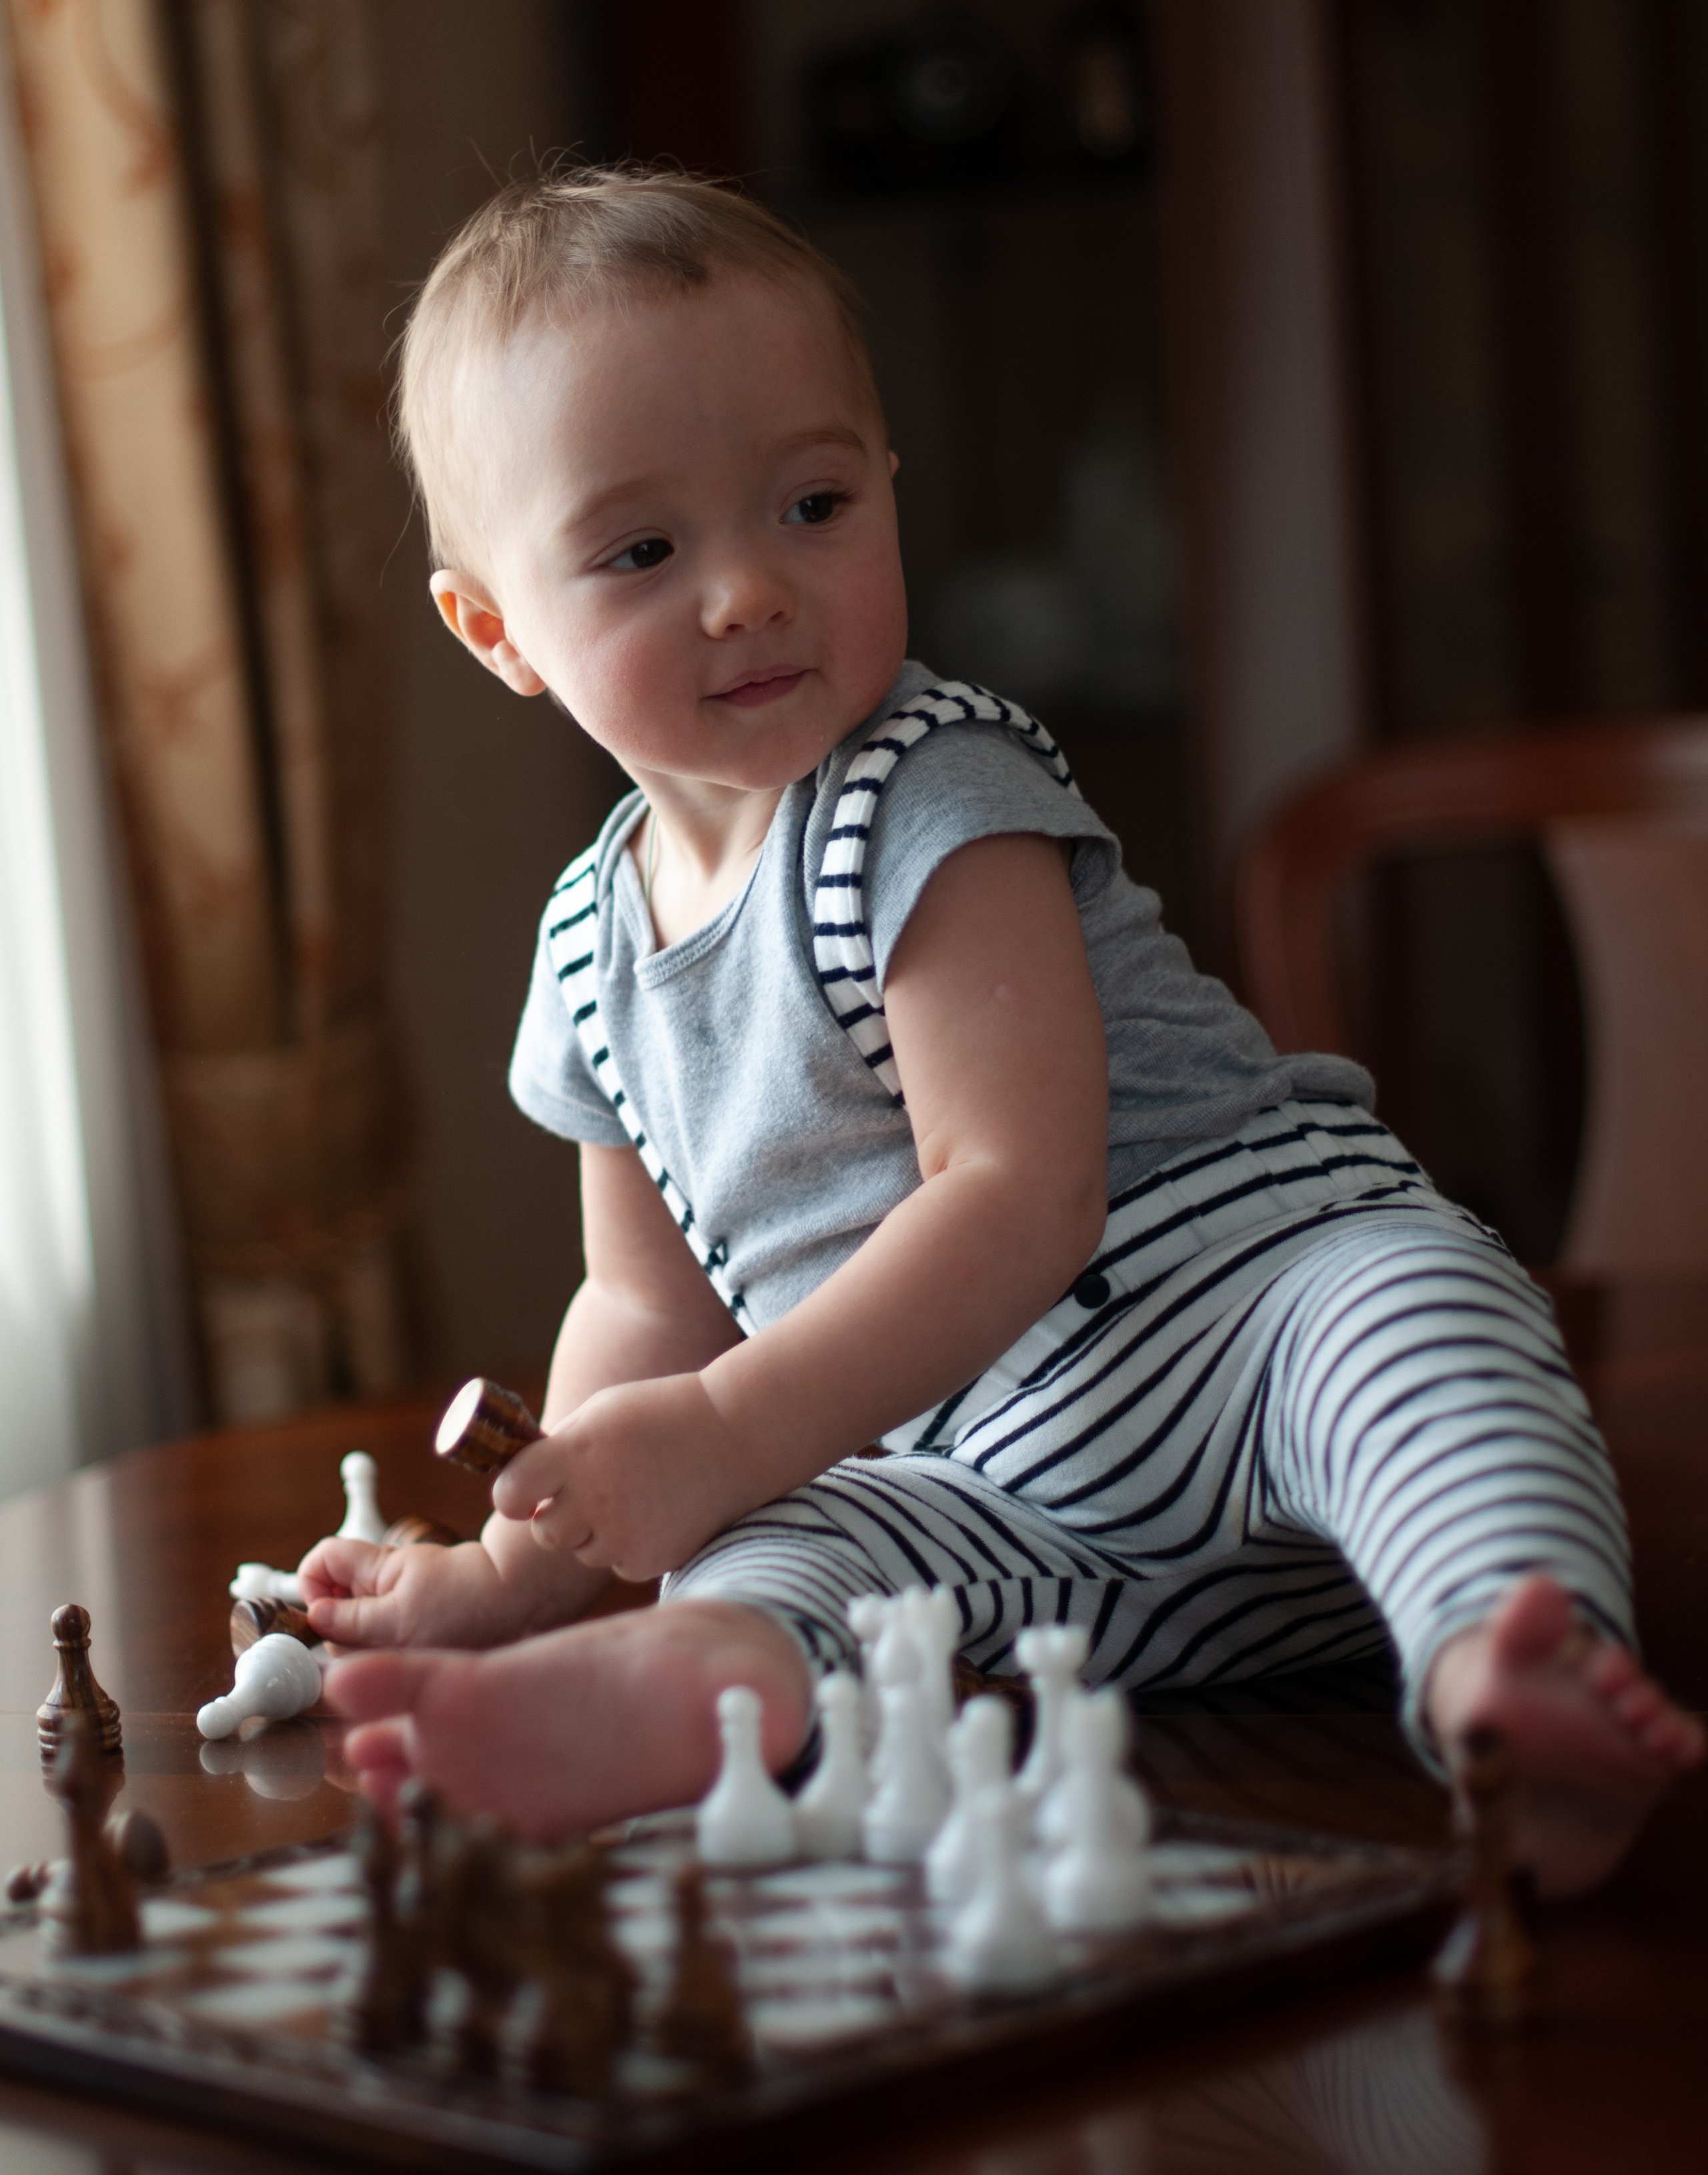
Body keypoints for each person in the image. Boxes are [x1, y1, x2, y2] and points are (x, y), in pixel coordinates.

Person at [305, 168, 1700, 1892]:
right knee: (787, 1538)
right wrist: (541, 1557)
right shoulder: (589, 947)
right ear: (495, 627)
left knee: (1415, 1329)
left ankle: (1501, 1667)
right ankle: (679, 1690)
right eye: (646, 549)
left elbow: (1016, 1193)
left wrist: (732, 1427)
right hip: (1008, 1508)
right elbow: (645, 1305)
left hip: (1245, 1337)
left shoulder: (931, 790)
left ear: (891, 486)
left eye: (812, 502)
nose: (748, 589)